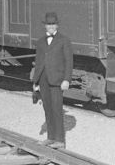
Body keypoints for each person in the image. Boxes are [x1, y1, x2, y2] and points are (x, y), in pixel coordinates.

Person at [31, 12, 73, 150]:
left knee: (56, 109)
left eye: (53, 24)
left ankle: (60, 140)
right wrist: (35, 81)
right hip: (43, 79)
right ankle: (50, 138)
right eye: (48, 24)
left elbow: (69, 62)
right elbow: (38, 62)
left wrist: (66, 79)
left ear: (57, 25)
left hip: (57, 80)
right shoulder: (41, 41)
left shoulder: (64, 40)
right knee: (47, 109)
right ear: (45, 26)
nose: (50, 26)